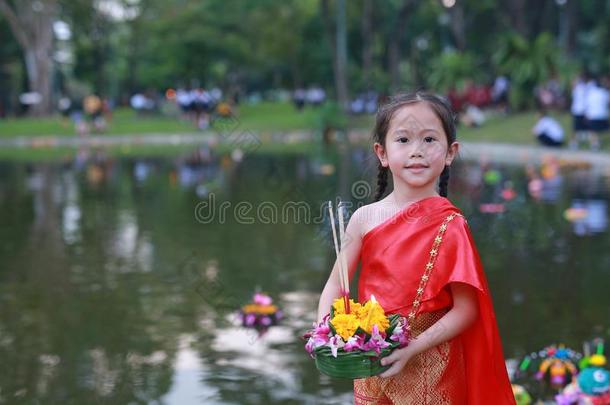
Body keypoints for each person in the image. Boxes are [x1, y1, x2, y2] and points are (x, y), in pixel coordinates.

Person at [316, 92, 515, 404]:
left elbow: (466, 310)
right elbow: (335, 284)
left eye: (429, 140)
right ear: (382, 152)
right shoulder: (363, 219)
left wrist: (412, 347)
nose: (417, 152)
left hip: (431, 368)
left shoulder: (451, 226)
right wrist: (326, 332)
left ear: (450, 152)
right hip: (371, 362)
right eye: (404, 140)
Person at [584, 76, 609, 151]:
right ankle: (597, 142)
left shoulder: (591, 93)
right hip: (602, 114)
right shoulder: (605, 92)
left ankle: (595, 144)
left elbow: (587, 104)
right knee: (602, 129)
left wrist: (586, 114)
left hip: (593, 115)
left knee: (592, 131)